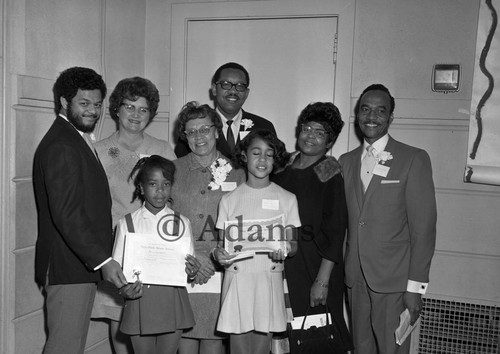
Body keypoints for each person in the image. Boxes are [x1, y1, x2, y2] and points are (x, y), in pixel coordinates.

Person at [33, 66, 127, 354]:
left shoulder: (74, 137)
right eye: (84, 103)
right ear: (64, 101)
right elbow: (67, 213)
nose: (93, 111)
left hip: (75, 267)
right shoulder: (62, 144)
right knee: (64, 348)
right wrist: (103, 260)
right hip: (67, 267)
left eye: (97, 104)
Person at [338, 84, 437, 354]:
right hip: (356, 277)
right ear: (357, 115)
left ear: (391, 117)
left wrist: (415, 287)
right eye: (365, 109)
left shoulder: (413, 158)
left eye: (380, 111)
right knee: (361, 347)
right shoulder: (344, 162)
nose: (371, 116)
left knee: (392, 349)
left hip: (393, 280)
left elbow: (424, 229)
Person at [92, 76, 177, 353]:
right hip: (117, 249)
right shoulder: (99, 151)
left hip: (156, 251)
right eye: (129, 106)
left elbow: (172, 201)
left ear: (151, 114)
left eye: (143, 109)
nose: (136, 115)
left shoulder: (163, 149)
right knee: (121, 327)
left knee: (155, 326)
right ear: (117, 108)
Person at [272, 102, 354, 353]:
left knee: (316, 336)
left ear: (329, 142)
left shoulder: (328, 169)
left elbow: (336, 229)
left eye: (321, 133)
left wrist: (323, 280)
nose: (311, 136)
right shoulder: (282, 166)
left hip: (316, 266)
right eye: (307, 128)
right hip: (284, 262)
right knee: (283, 333)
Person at [213, 130, 301, 354]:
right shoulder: (229, 200)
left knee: (262, 348)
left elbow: (294, 246)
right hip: (238, 280)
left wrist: (285, 248)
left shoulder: (287, 198)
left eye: (269, 154)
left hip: (267, 279)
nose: (262, 160)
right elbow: (223, 248)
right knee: (239, 349)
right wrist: (218, 254)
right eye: (256, 153)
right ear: (244, 155)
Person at [171, 102, 246, 354]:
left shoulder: (238, 173)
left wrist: (213, 257)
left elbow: (243, 224)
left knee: (214, 344)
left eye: (204, 129)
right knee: (185, 342)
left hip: (222, 270)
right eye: (191, 132)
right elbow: (164, 221)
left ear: (216, 131)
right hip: (183, 267)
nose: (199, 136)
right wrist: (193, 256)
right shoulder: (173, 170)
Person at [112, 155, 199, 354]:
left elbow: (188, 271)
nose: (160, 190)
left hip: (172, 300)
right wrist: (123, 290)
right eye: (153, 184)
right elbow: (117, 270)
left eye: (165, 184)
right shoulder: (127, 223)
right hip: (140, 300)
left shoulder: (182, 222)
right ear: (141, 188)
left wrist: (192, 271)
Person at [175, 62, 276, 158]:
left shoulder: (263, 127)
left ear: (246, 93)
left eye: (240, 86)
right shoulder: (193, 128)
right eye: (226, 84)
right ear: (214, 89)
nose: (233, 91)